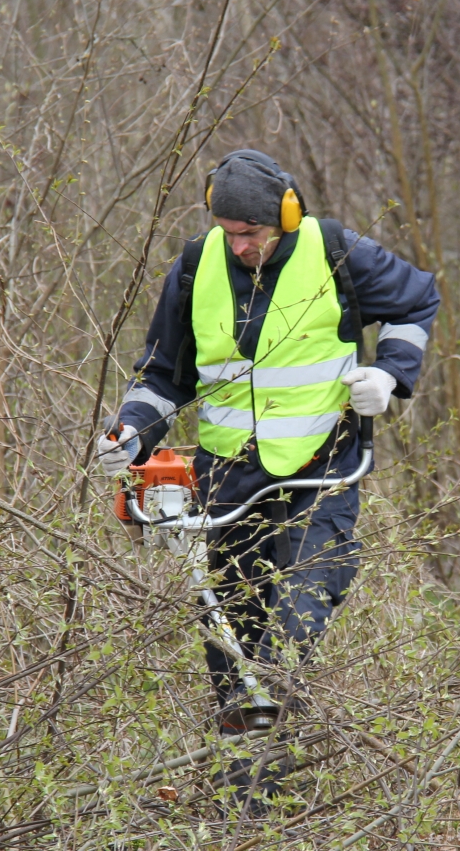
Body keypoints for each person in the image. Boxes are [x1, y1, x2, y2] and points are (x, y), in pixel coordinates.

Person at [96, 149, 439, 798]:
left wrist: (389, 374)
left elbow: (417, 300)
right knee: (232, 636)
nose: (240, 244)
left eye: (250, 233)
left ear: (285, 216)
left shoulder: (335, 250)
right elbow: (163, 373)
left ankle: (269, 771)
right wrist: (131, 434)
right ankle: (246, 790)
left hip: (322, 473)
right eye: (230, 231)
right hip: (229, 481)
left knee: (294, 621)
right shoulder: (197, 266)